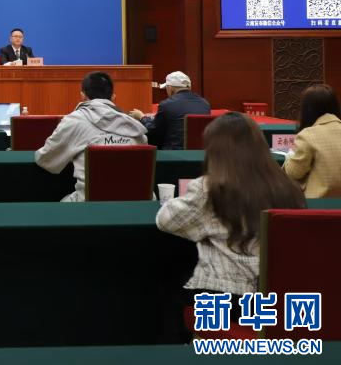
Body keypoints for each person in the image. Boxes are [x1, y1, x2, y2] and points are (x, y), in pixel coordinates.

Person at [157, 113, 305, 302]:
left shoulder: (210, 188)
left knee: (166, 279)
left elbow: (166, 220)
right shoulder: (288, 187)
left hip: (224, 296)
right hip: (276, 295)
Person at [35, 71, 148, 201]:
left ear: (82, 95)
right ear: (112, 97)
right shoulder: (134, 125)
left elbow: (45, 159)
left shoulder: (73, 121)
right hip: (136, 203)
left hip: (89, 204)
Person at [283, 84, 341, 198]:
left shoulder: (307, 135)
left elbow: (294, 173)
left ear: (307, 109)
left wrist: (289, 157)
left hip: (317, 204)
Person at [129, 71, 211, 150]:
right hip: (200, 153)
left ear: (170, 88)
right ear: (189, 87)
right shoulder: (205, 104)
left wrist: (142, 117)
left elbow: (154, 132)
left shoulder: (166, 105)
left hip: (172, 154)